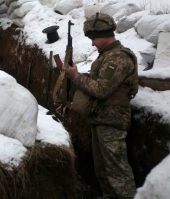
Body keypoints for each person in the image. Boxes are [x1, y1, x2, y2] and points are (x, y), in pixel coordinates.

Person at [65, 12, 138, 199]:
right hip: (100, 119)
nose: (92, 43)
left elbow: (101, 90)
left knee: (117, 173)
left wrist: (76, 76)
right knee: (102, 171)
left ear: (104, 35)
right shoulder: (106, 55)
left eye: (94, 39)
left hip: (112, 123)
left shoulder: (118, 58)